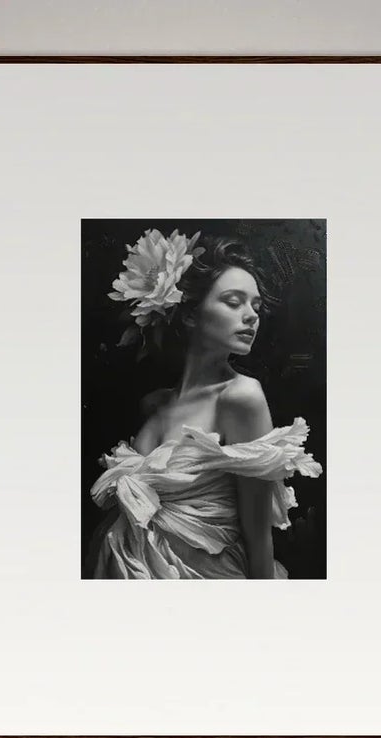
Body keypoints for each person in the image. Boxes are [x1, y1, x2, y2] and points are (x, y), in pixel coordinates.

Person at [87, 230, 322, 580]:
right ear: (190, 315)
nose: (251, 316)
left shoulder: (241, 397)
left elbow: (259, 542)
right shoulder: (155, 405)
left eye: (256, 306)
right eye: (233, 301)